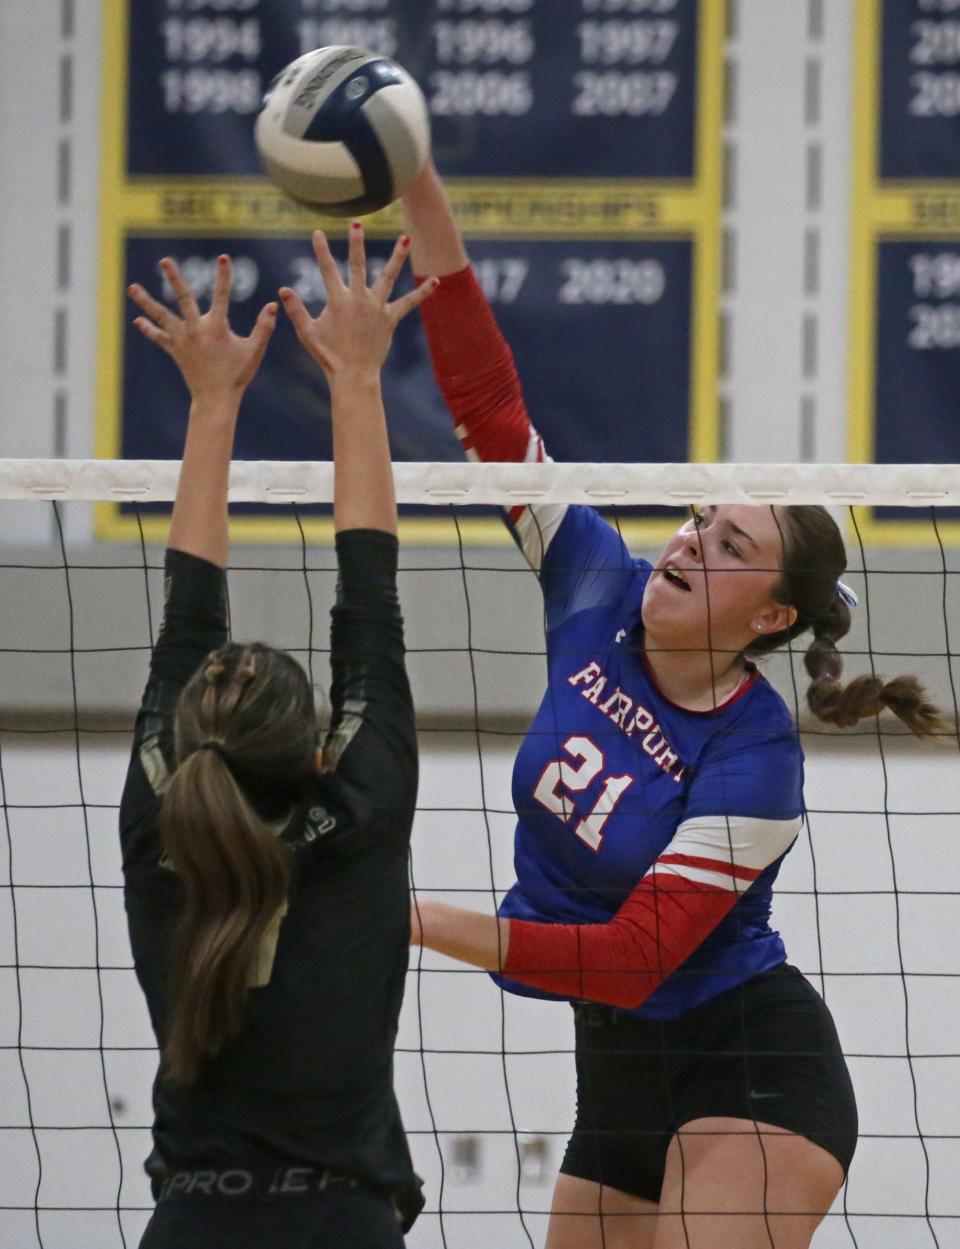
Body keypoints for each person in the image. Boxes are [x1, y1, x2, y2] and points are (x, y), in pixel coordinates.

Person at [399, 163, 943, 1249]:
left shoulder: (755, 757)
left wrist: (410, 919)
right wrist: (418, 183)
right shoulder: (593, 577)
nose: (692, 539)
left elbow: (635, 953)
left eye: (729, 544)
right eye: (700, 519)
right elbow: (490, 412)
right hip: (619, 1069)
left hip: (749, 1064)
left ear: (772, 617)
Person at [121, 226, 437, 1249]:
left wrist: (211, 399)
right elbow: (368, 596)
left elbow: (193, 620)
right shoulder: (356, 810)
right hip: (342, 1223)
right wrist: (356, 377)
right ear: (316, 753)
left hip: (191, 1226)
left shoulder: (166, 824)